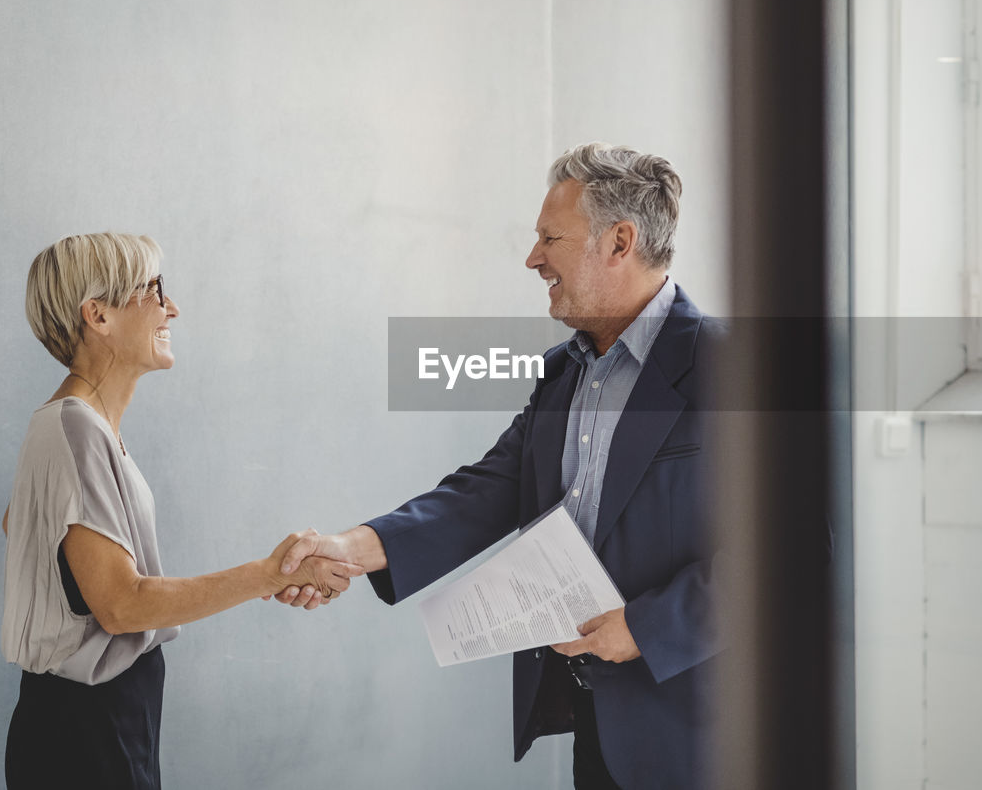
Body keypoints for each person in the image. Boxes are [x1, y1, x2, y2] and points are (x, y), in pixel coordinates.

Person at [276, 143, 722, 789]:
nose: (533, 257)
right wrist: (353, 547)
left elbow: (793, 558)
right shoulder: (565, 373)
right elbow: (488, 489)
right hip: (599, 724)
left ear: (619, 242)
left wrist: (648, 627)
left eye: (550, 237)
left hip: (700, 733)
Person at [0, 233, 364, 790]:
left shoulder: (82, 429)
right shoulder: (72, 427)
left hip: (106, 716)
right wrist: (269, 573)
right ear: (97, 315)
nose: (172, 307)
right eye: (153, 289)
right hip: (87, 728)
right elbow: (121, 606)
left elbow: (23, 525)